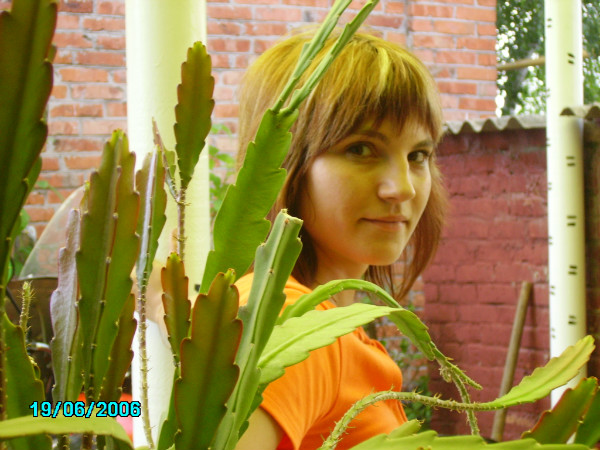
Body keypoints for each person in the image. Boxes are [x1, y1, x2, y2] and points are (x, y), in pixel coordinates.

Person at [233, 25, 447, 450]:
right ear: (282, 161)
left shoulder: (323, 325)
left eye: (418, 155)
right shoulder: (295, 322)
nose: (402, 188)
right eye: (361, 149)